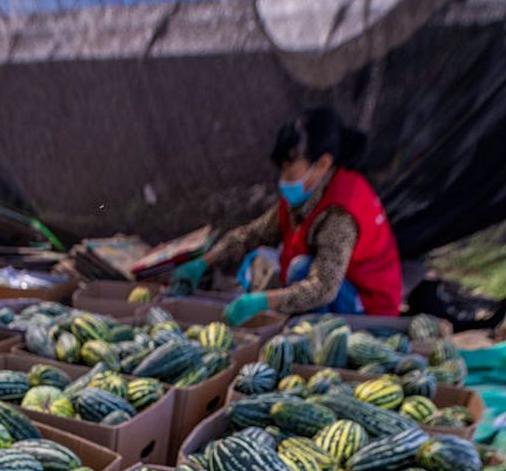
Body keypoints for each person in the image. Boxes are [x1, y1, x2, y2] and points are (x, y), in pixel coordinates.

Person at [171, 106, 402, 324]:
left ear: (322, 163)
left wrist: (263, 302)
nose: (284, 178)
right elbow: (252, 234)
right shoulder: (304, 196)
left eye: (290, 169)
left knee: (300, 269)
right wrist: (203, 263)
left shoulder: (340, 213)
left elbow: (324, 287)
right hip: (342, 291)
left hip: (369, 311)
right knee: (263, 257)